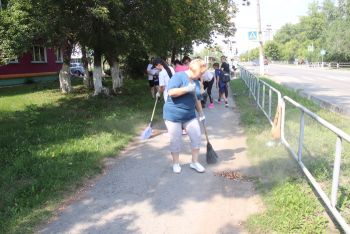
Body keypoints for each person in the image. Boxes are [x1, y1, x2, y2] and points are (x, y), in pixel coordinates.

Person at [164, 59, 207, 174]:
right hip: (173, 115)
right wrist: (186, 89)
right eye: (201, 72)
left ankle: (194, 162)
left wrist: (201, 113)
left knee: (197, 136)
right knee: (175, 140)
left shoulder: (196, 82)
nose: (202, 75)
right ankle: (176, 163)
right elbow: (171, 92)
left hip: (190, 115)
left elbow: (196, 98)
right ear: (194, 70)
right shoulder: (179, 76)